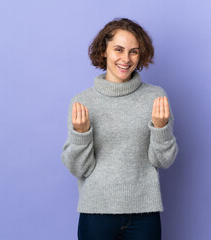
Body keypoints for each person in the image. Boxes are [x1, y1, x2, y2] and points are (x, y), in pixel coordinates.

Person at [61, 18, 179, 240]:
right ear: (104, 51)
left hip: (144, 213)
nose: (126, 59)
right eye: (118, 49)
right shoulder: (83, 101)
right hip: (96, 212)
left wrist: (161, 129)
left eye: (133, 52)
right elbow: (78, 168)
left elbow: (163, 161)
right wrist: (81, 135)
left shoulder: (155, 97)